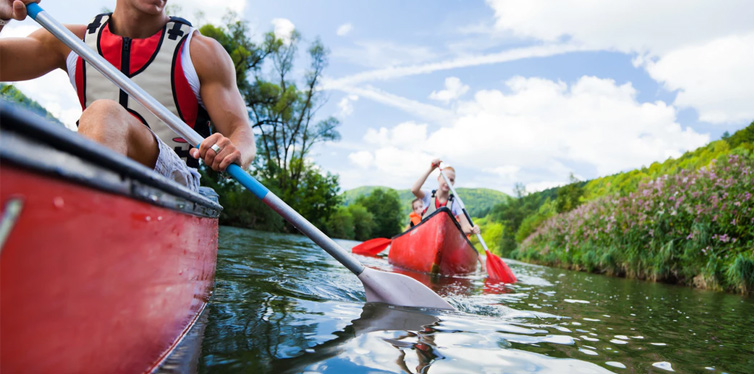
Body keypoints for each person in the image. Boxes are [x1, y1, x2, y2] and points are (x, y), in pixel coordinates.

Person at [0, 0, 255, 192]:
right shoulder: (68, 41)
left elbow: (240, 132)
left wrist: (235, 151)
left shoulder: (202, 52)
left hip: (175, 182)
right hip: (91, 169)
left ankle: (79, 221)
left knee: (104, 114)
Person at [410, 158, 480, 236]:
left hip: (444, 237)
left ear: (453, 183)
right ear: (438, 178)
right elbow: (414, 190)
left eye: (451, 180)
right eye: (445, 178)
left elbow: (465, 227)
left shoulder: (456, 202)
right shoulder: (428, 195)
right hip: (425, 236)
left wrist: (472, 229)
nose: (448, 182)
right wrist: (431, 169)